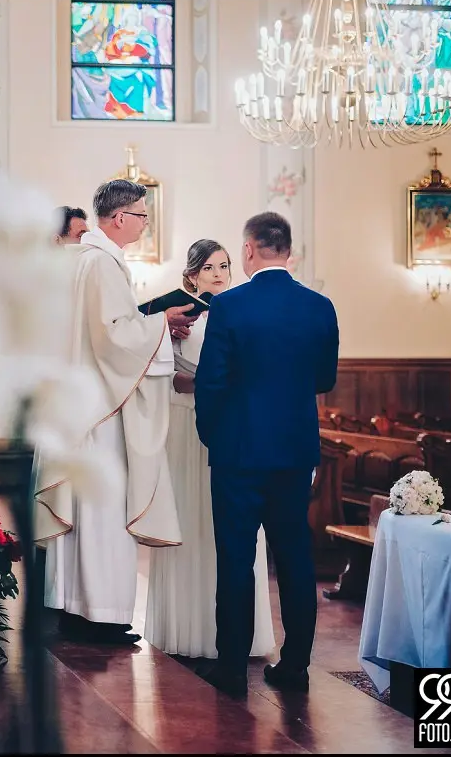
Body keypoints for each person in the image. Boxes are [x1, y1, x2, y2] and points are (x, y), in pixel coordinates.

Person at [36, 179, 195, 645]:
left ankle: (72, 608)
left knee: (83, 516)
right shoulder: (102, 263)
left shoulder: (77, 260)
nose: (145, 225)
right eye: (142, 216)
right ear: (120, 217)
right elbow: (113, 337)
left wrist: (152, 325)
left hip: (79, 408)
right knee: (103, 514)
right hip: (101, 415)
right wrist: (162, 323)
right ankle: (101, 615)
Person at [194, 212, 339, 698]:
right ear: (288, 250)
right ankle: (295, 665)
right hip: (295, 452)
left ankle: (233, 668)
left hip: (238, 453)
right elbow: (324, 379)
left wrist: (213, 437)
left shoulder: (229, 306)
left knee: (236, 559)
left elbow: (211, 382)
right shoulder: (320, 307)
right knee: (295, 556)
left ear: (249, 249)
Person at [144, 240, 276, 660]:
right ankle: (187, 631)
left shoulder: (242, 312)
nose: (218, 274)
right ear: (192, 275)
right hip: (187, 426)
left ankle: (237, 637)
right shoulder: (180, 318)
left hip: (233, 431)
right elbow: (167, 376)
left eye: (224, 266)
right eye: (208, 268)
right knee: (191, 521)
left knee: (234, 532)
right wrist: (203, 380)